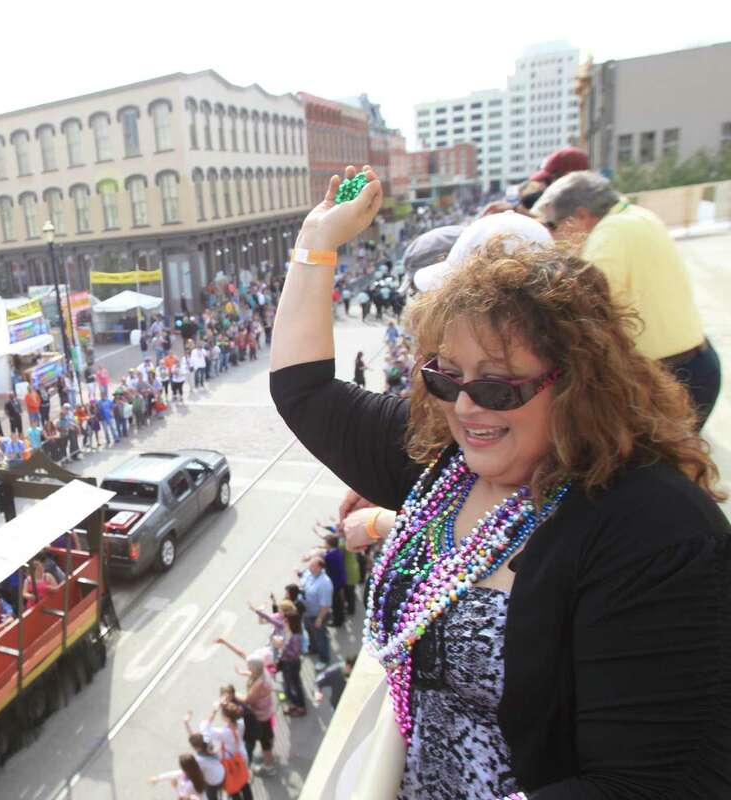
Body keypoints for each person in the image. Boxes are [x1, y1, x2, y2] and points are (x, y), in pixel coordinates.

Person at [270, 166, 730, 796]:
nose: (464, 406)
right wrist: (316, 239)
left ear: (575, 378)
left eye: (496, 385)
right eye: (444, 375)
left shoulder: (656, 530)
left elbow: (658, 779)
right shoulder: (443, 456)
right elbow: (305, 390)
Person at [533, 170, 721, 428]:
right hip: (695, 363)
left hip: (673, 377)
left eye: (553, 225)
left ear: (581, 216)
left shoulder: (610, 236)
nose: (553, 236)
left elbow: (583, 309)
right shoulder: (636, 216)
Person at [213, 638, 277, 776]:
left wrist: (233, 695)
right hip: (264, 711)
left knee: (265, 739)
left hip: (262, 715)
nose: (247, 668)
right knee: (265, 737)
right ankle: (268, 756)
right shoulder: (260, 668)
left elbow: (248, 700)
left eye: (249, 668)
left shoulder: (260, 683)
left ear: (254, 668)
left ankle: (269, 766)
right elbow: (242, 653)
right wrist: (225, 642)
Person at [297, 556, 332, 667]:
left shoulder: (324, 583)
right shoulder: (309, 573)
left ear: (320, 568)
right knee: (310, 632)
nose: (309, 567)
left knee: (321, 637)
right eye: (310, 564)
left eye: (312, 565)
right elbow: (303, 579)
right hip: (307, 612)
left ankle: (324, 659)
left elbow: (326, 604)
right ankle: (313, 648)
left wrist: (320, 618)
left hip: (317, 615)